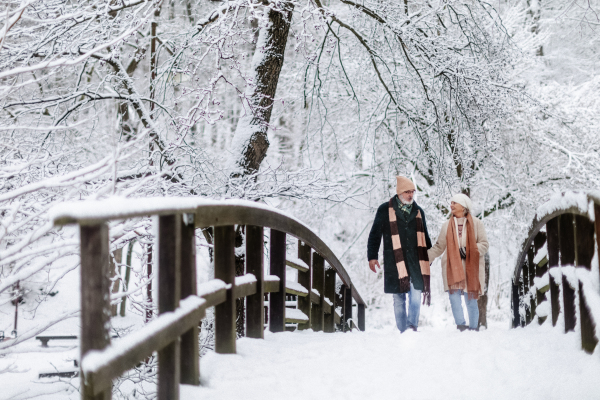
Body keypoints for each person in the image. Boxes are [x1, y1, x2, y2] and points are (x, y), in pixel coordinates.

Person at [367, 176, 432, 332]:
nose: (411, 195)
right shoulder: (384, 210)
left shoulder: (418, 211)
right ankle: (403, 331)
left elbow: (426, 236)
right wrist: (372, 256)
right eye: (407, 192)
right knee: (399, 299)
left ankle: (411, 328)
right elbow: (375, 234)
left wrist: (429, 256)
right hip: (394, 261)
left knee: (415, 297)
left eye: (412, 192)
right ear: (399, 192)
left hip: (415, 261)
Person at [428, 193, 489, 331]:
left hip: (471, 269)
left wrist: (470, 249)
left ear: (464, 206)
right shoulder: (446, 226)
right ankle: (461, 326)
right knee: (454, 300)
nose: (451, 206)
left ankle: (473, 329)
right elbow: (439, 247)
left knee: (471, 301)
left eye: (454, 203)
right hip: (451, 268)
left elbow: (484, 244)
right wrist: (425, 258)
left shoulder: (477, 224)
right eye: (451, 203)